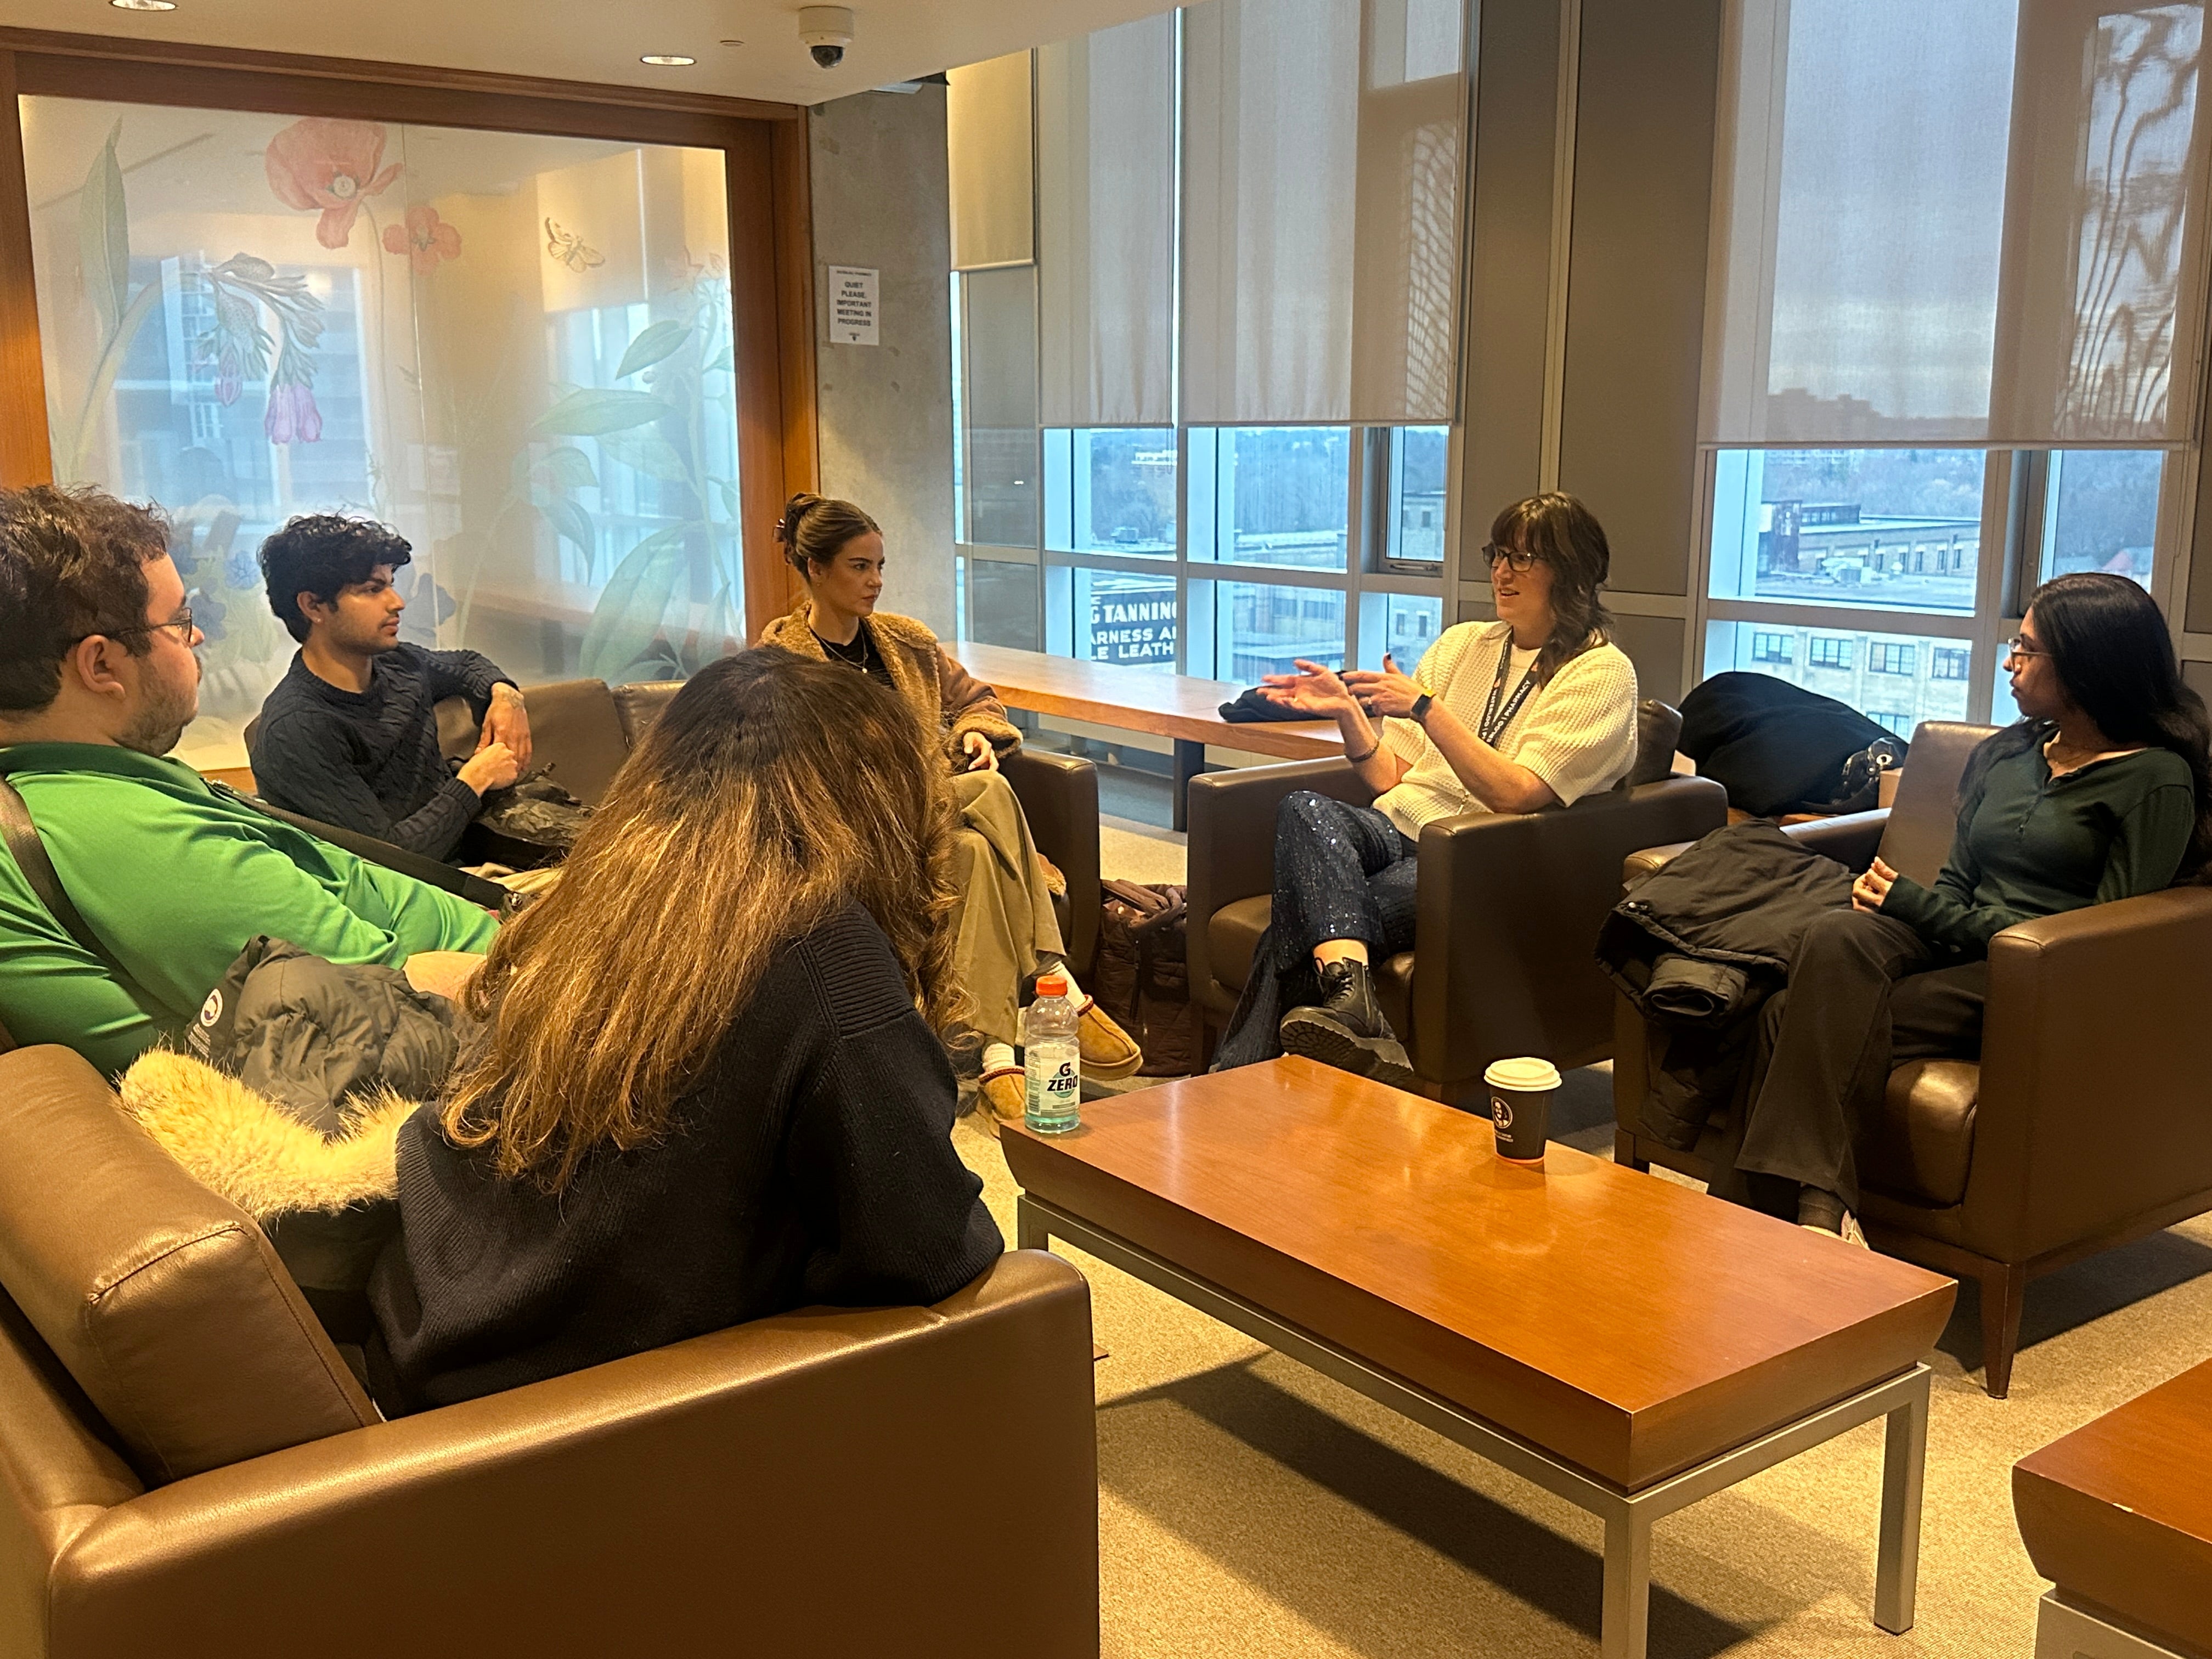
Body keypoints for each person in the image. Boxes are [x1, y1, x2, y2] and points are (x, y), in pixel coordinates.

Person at [367, 648, 1004, 1412]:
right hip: (587, 1426)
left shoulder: (591, 904)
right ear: (875, 794)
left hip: (434, 1346)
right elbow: (928, 1251)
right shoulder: (825, 948)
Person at [1723, 572, 2210, 1242]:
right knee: (1839, 935)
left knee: (1787, 1011)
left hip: (2037, 978)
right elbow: (1957, 883)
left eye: (2028, 649)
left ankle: (1780, 1212)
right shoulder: (2008, 754)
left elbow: (2104, 940)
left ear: (2087, 664)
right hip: (1960, 946)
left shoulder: (2155, 778)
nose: (2010, 662)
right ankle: (1819, 1215)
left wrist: (1920, 907)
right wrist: (1904, 909)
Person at [0, 486, 499, 1075]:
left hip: (480, 923)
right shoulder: (134, 839)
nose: (199, 637)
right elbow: (397, 1000)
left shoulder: (102, 780)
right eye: (179, 621)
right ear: (102, 664)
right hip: (476, 1008)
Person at [1214, 492, 1640, 1081]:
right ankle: (1352, 1003)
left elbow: (1518, 793)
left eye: (1522, 559)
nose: (1501, 572)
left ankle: (1238, 1077)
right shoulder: (1466, 644)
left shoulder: (1601, 672)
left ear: (1573, 572)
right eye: (1498, 555)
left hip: (1480, 858)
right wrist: (1349, 717)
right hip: (1399, 826)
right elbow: (1394, 777)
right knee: (1304, 807)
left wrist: (1425, 707)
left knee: (1302, 911)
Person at [756, 493, 1139, 1086]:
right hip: (857, 832)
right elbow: (785, 773)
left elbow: (981, 702)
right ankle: (1056, 980)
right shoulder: (780, 663)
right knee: (987, 794)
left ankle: (992, 1056)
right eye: (860, 567)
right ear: (815, 568)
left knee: (977, 853)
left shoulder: (905, 642)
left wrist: (974, 734)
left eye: (881, 566)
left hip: (934, 825)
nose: (876, 581)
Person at [252, 515, 531, 861]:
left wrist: (506, 696)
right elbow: (388, 859)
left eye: (390, 584)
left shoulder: (397, 663)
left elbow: (468, 665)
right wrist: (476, 779)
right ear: (313, 606)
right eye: (372, 590)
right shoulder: (297, 728)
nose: (396, 601)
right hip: (416, 897)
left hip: (478, 851)